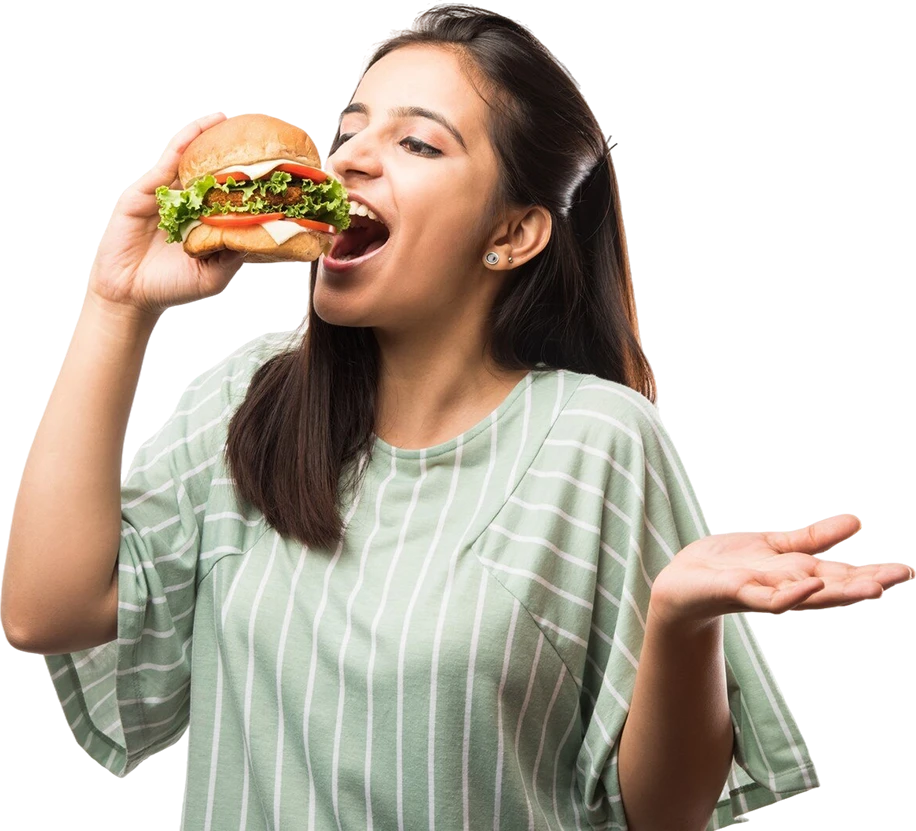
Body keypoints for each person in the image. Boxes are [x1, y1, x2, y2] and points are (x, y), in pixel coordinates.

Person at [3, 5, 899, 830]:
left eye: (418, 145)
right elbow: (45, 612)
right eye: (349, 131)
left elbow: (666, 812)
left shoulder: (592, 440)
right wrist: (118, 306)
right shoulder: (249, 397)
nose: (349, 158)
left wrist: (676, 618)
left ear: (512, 233)